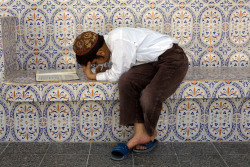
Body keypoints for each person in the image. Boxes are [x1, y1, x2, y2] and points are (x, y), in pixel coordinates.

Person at [73, 27, 189, 160]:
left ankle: (149, 133)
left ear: (101, 52)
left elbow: (116, 74)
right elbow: (123, 69)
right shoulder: (113, 41)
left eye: (94, 62)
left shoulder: (118, 41)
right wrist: (107, 69)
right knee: (126, 81)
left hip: (173, 59)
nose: (96, 65)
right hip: (152, 62)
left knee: (149, 97)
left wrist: (92, 76)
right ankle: (140, 133)